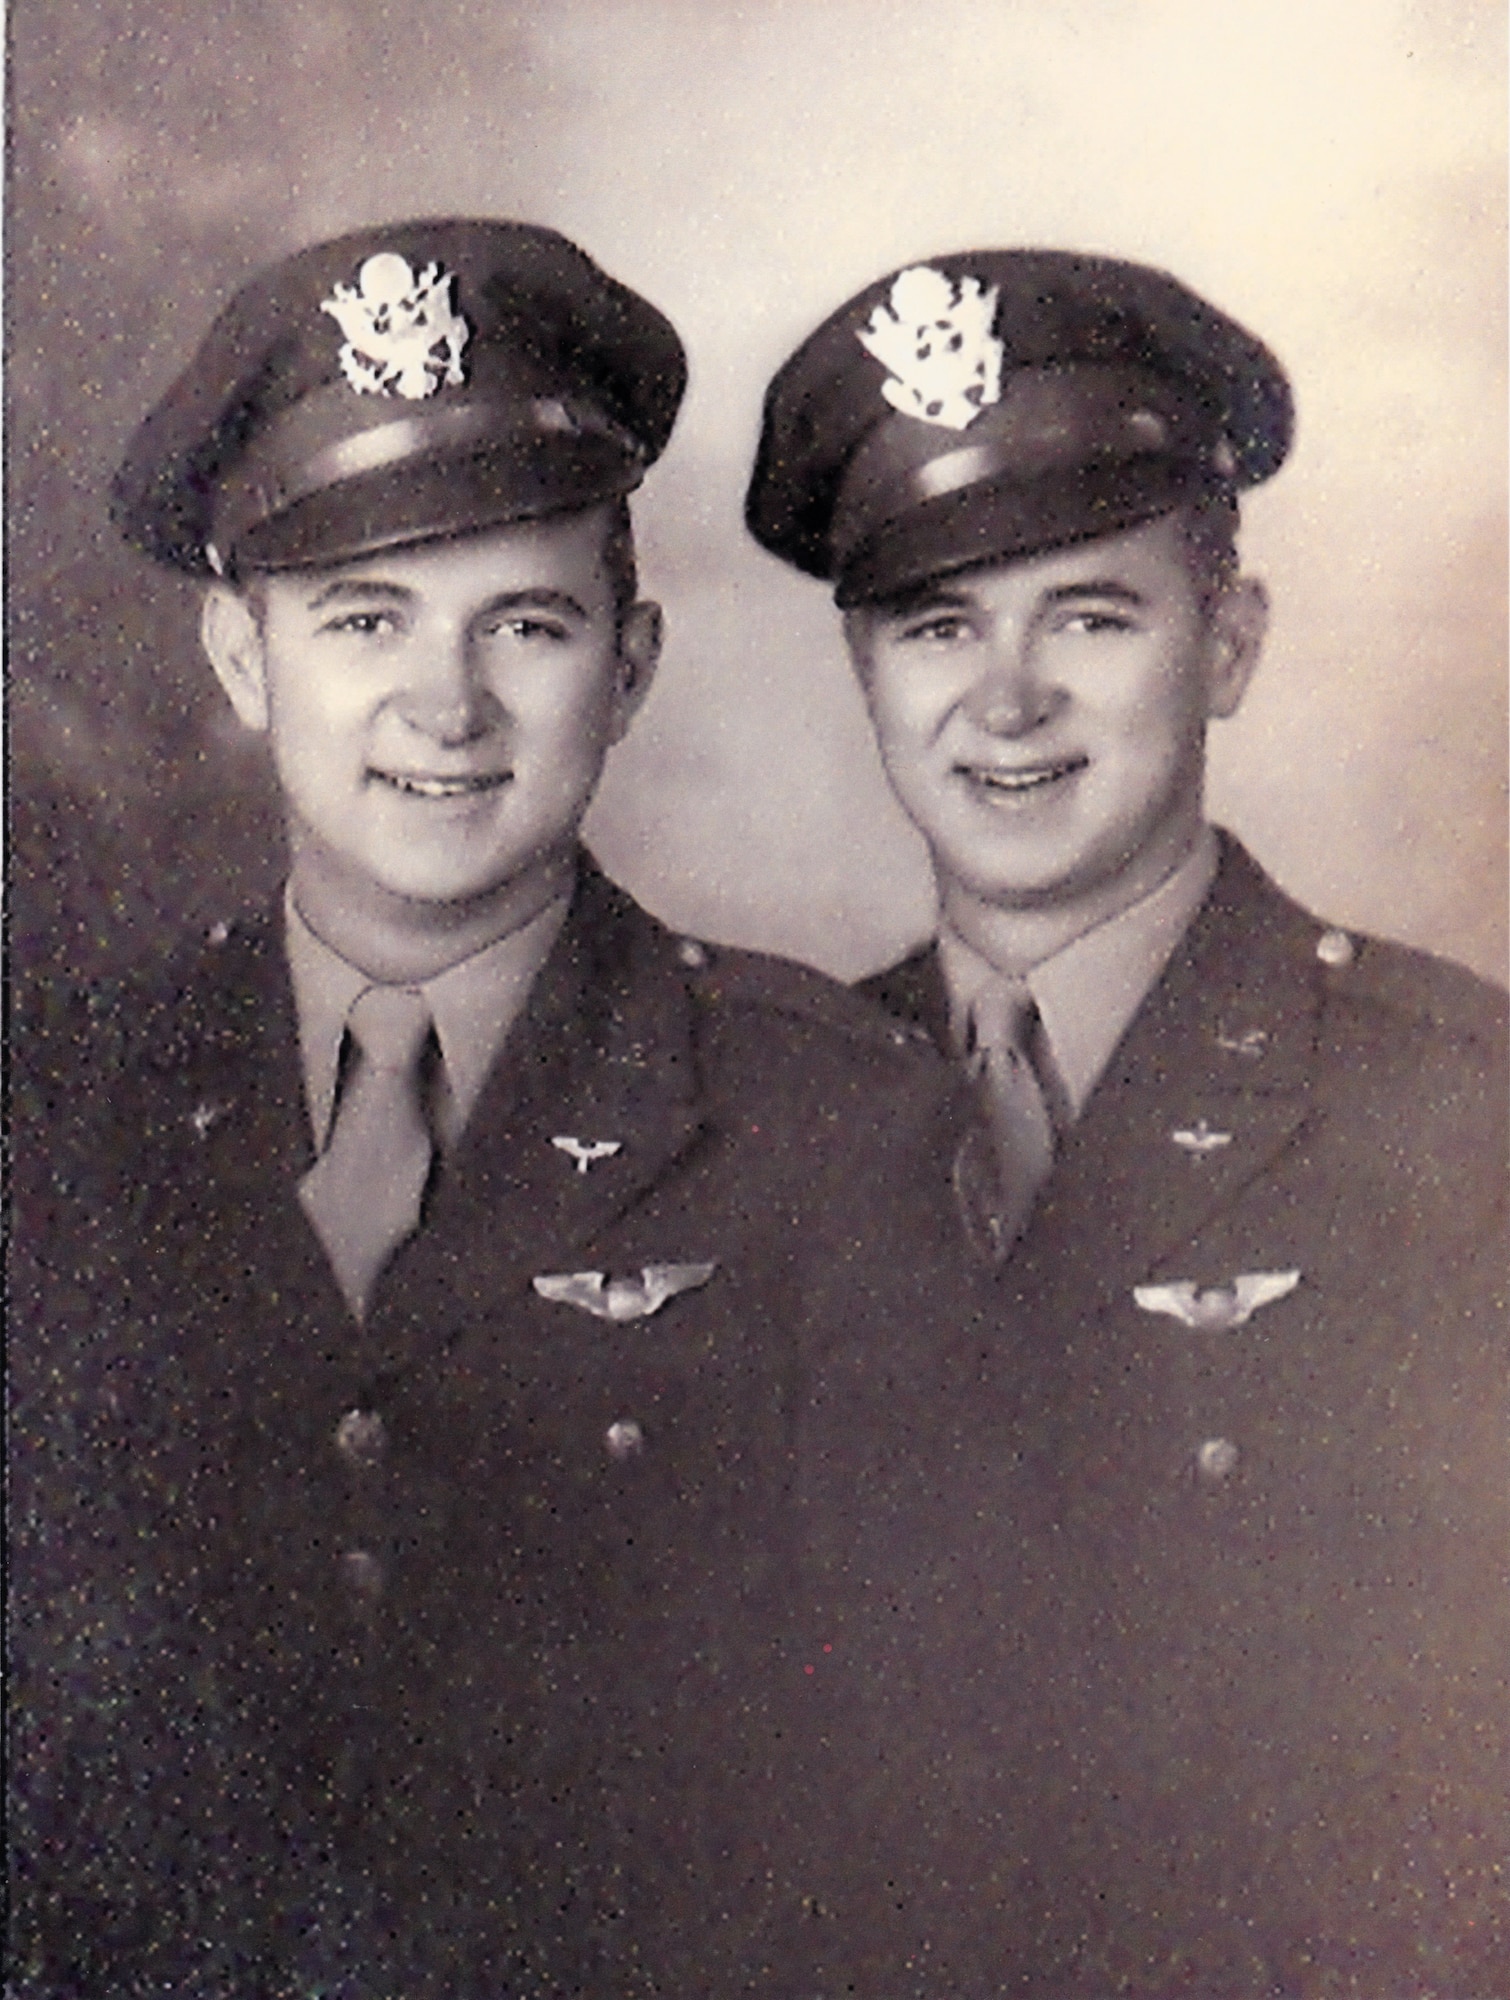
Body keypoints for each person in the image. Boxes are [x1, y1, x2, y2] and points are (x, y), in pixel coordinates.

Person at [8, 219, 970, 1998]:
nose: (442, 705)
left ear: (630, 663)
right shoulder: (54, 1122)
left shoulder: (834, 1127)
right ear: (240, 661)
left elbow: (917, 1839)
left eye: (521, 623)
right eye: (364, 618)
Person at [745, 250, 1509, 1992]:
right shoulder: (762, 1112)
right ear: (863, 671)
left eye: (1088, 616)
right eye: (937, 625)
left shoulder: (1459, 1115)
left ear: (1226, 647)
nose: (1004, 702)